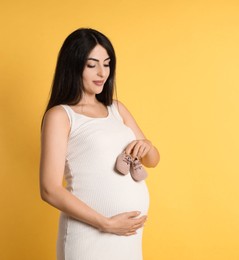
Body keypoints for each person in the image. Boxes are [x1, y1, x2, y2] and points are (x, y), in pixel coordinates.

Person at [40, 28, 160, 260]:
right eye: (92, 64)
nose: (102, 72)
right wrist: (106, 223)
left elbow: (152, 161)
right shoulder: (61, 115)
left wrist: (148, 145)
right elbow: (49, 189)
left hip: (128, 237)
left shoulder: (117, 109)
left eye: (107, 64)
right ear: (73, 66)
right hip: (89, 236)